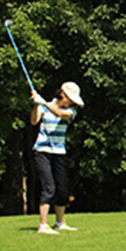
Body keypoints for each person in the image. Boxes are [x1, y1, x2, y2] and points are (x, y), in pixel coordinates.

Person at [30, 81, 84, 234]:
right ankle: (43, 225)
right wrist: (36, 105)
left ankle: (60, 222)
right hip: (42, 151)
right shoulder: (43, 106)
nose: (72, 102)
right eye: (70, 99)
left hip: (59, 152)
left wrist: (43, 103)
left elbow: (60, 114)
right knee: (49, 187)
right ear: (62, 94)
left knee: (62, 190)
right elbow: (34, 121)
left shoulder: (71, 111)